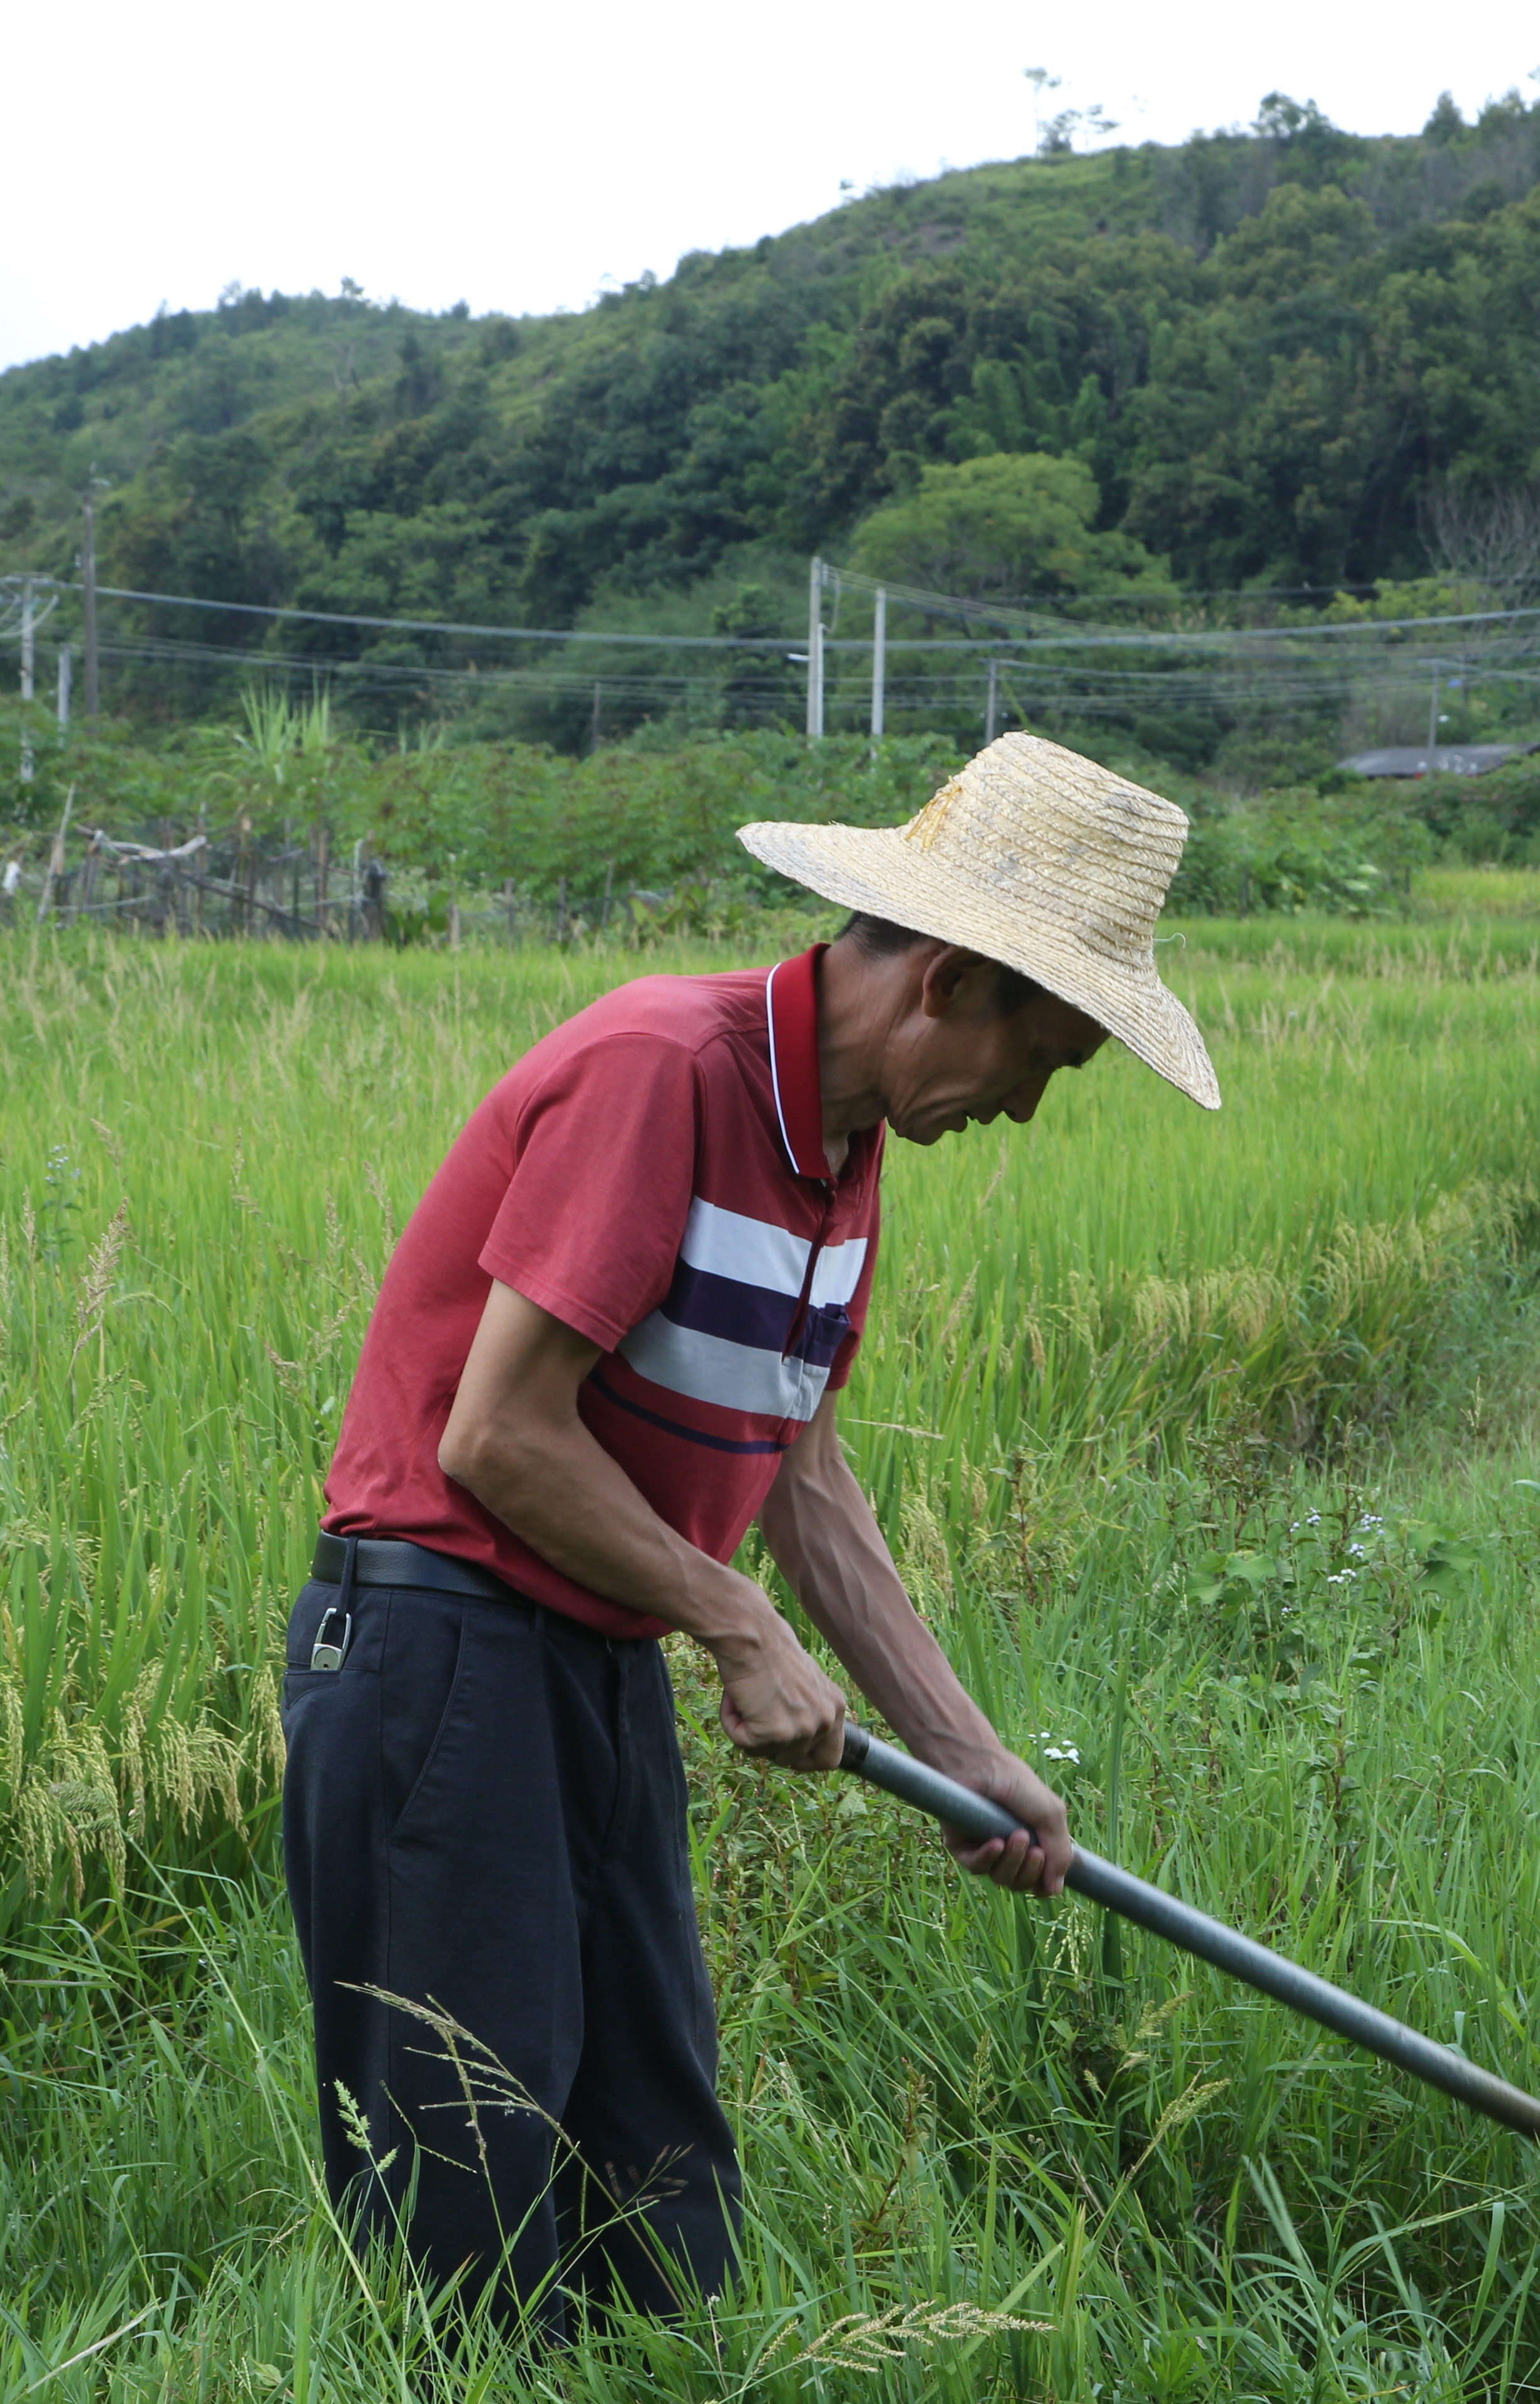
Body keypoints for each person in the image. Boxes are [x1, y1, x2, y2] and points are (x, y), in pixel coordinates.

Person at [280, 732, 1222, 2333]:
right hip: (443, 1653)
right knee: (472, 2187)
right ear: (945, 985)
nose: (1028, 1111)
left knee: (658, 2164)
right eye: (1047, 1059)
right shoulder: (669, 1069)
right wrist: (737, 1627)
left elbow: (804, 1482)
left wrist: (969, 1749)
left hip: (591, 1655)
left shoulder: (840, 1151)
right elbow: (498, 1434)